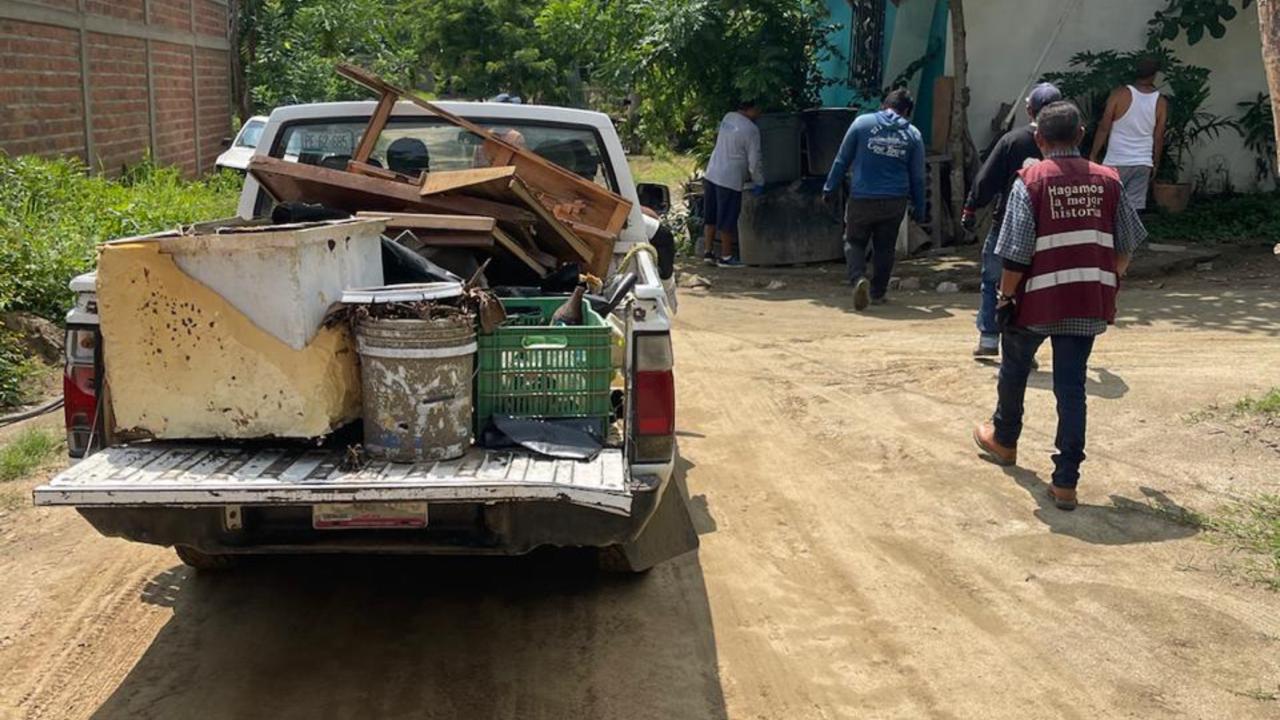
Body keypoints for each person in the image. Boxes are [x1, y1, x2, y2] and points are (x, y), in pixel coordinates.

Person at [973, 101, 1147, 510]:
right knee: (1072, 388)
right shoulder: (1108, 180)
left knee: (1014, 369)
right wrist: (1112, 280)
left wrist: (1005, 297)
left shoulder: (1032, 180)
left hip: (1036, 301)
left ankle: (1005, 439)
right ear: (1081, 135)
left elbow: (1015, 253)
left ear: (1039, 139)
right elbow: (1127, 243)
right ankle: (1066, 481)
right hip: (1086, 300)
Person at [963, 82, 1063, 357]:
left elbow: (986, 180)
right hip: (1049, 228)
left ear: (1029, 110)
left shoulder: (1012, 141)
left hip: (1009, 225)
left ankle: (989, 338)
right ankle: (1023, 347)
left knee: (993, 280)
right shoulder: (1067, 145)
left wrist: (971, 207)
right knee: (1033, 286)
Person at [822, 89, 925, 310]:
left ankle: (858, 278)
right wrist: (920, 207)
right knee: (885, 247)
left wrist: (829, 188)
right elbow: (918, 177)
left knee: (854, 241)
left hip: (863, 197)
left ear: (883, 105)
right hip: (895, 201)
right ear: (907, 112)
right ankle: (878, 293)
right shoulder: (913, 134)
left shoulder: (862, 124)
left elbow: (842, 160)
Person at [1089, 55, 1168, 212]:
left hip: (1116, 160)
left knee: (1107, 207)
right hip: (1142, 162)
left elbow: (1104, 127)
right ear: (1154, 75)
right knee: (1133, 210)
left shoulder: (1119, 94)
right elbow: (1158, 136)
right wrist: (1156, 162)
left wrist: (1093, 154)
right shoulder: (1160, 102)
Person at [702, 100, 765, 268]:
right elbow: (754, 160)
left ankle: (708, 252)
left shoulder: (728, 117)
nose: (760, 113)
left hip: (712, 172)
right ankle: (726, 256)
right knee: (727, 218)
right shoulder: (751, 129)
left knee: (711, 216)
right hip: (730, 178)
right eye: (758, 109)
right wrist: (759, 181)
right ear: (752, 108)